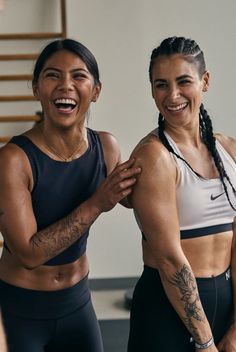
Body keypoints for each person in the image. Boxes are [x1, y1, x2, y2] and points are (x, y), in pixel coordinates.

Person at [0, 38, 141, 352]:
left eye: (78, 76)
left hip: (77, 304)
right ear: (36, 88)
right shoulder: (13, 160)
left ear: (96, 91)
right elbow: (29, 254)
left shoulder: (106, 147)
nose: (66, 85)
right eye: (53, 75)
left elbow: (135, 198)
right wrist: (97, 203)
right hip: (21, 310)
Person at [127, 36, 236, 352]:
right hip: (167, 312)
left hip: (224, 306)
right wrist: (205, 343)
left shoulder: (228, 149)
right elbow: (170, 259)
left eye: (183, 81)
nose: (172, 95)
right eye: (161, 84)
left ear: (205, 81)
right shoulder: (155, 157)